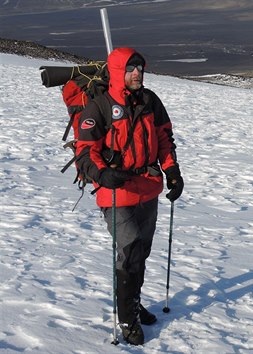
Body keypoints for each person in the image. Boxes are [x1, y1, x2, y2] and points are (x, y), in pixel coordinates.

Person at [75, 47, 184, 345]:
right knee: (131, 249)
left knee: (142, 251)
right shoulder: (98, 107)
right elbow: (85, 151)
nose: (137, 73)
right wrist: (102, 174)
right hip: (116, 191)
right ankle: (127, 318)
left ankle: (132, 302)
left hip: (148, 186)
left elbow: (164, 139)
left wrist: (172, 172)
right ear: (118, 72)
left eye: (140, 68)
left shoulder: (150, 101)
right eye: (130, 69)